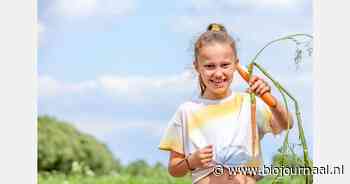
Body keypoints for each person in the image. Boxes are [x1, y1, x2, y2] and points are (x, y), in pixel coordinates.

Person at [158, 23, 292, 184]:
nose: (218, 73)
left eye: (225, 65)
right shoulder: (187, 111)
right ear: (197, 67)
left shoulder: (249, 103)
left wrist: (269, 99)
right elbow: (174, 169)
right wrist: (191, 161)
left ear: (236, 65)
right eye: (209, 66)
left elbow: (286, 124)